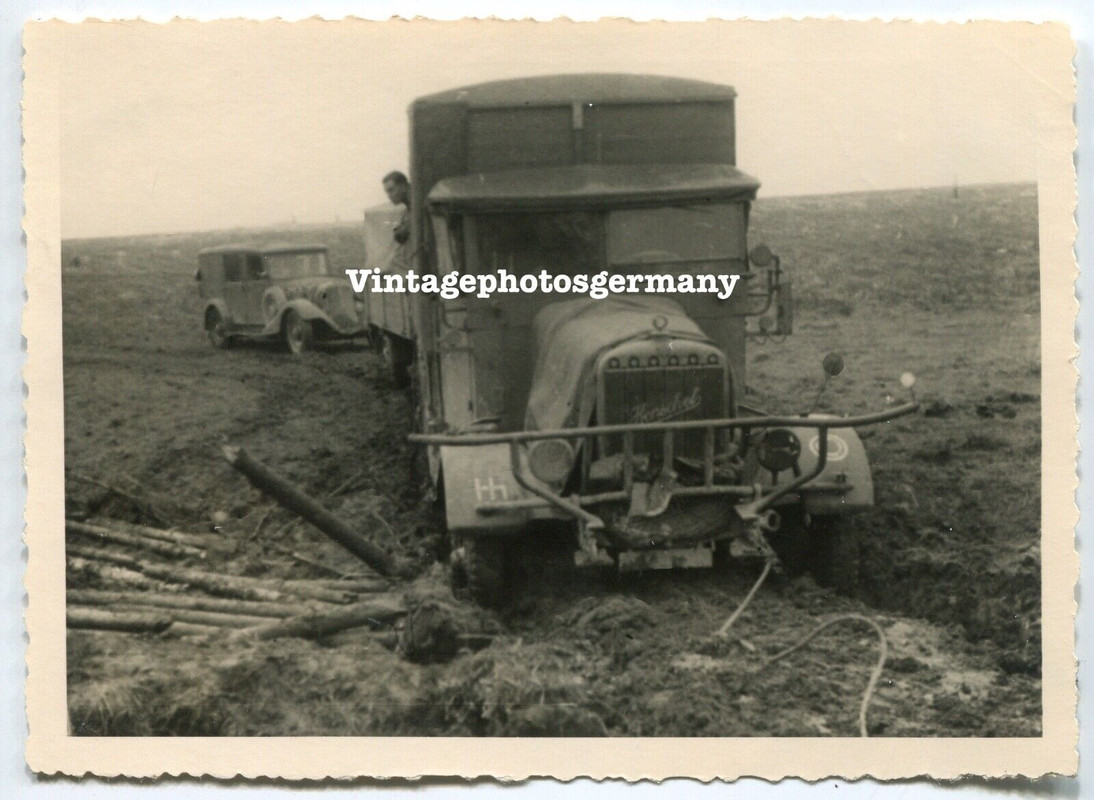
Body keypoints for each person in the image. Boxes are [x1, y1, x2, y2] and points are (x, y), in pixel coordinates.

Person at [382, 170, 411, 245]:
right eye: (387, 192)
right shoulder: (408, 209)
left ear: (403, 187)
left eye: (391, 190)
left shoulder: (418, 205)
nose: (389, 196)